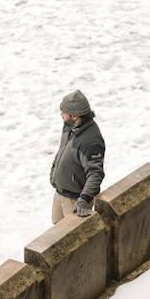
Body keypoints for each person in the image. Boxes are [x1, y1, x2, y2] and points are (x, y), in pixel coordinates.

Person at [49, 89, 105, 224]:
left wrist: (83, 200)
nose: (61, 115)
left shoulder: (91, 141)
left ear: (74, 116)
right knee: (55, 232)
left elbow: (95, 174)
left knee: (70, 239)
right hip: (60, 192)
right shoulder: (69, 127)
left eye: (64, 113)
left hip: (74, 200)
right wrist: (53, 170)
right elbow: (62, 150)